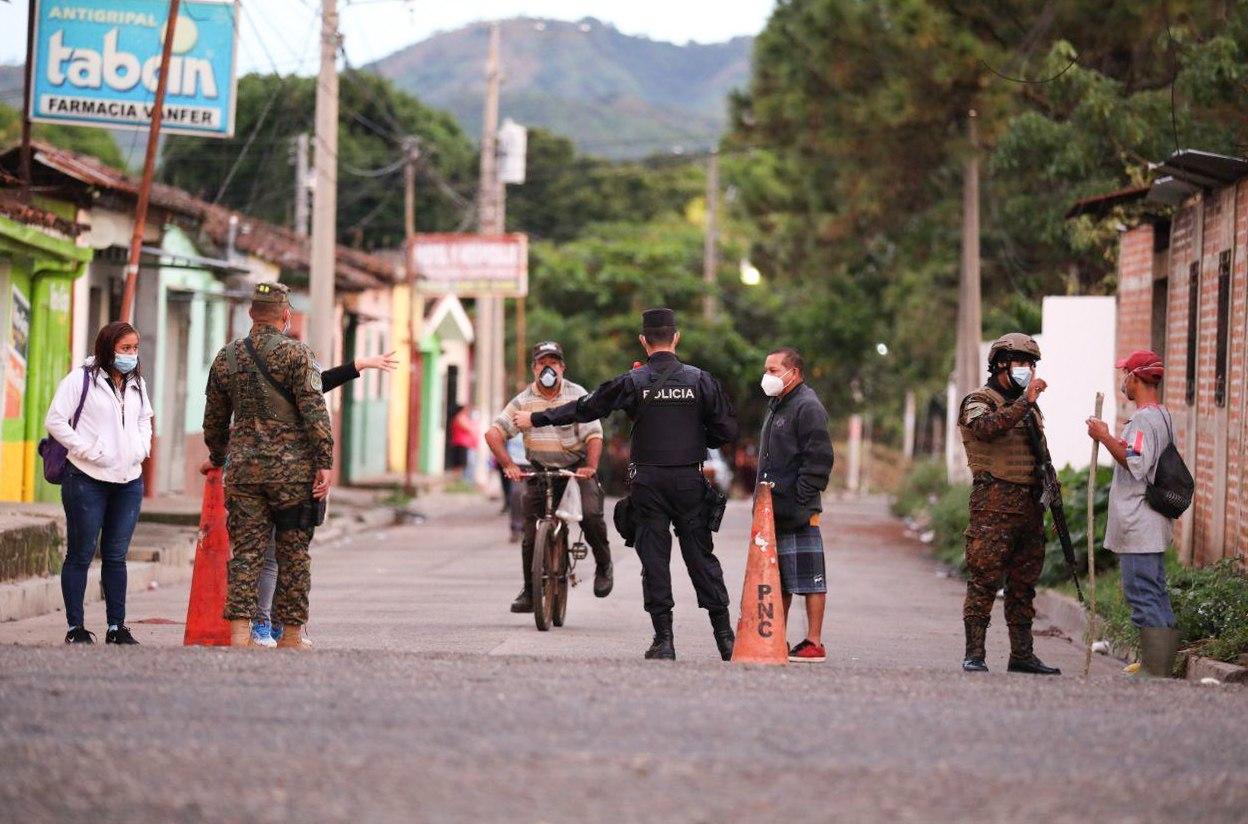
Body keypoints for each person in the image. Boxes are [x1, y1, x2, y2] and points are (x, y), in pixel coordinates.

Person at [513, 308, 740, 661]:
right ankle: (726, 640)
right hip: (688, 480)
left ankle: (663, 642)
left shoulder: (633, 382)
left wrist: (536, 418)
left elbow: (585, 408)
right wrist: (695, 435)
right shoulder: (701, 380)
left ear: (643, 340)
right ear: (676, 338)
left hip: (648, 482)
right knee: (701, 558)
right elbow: (726, 431)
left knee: (655, 561)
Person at [201, 282, 333, 650]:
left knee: (246, 553)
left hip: (243, 474)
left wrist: (217, 458)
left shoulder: (226, 357)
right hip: (292, 475)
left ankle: (240, 633)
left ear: (251, 314)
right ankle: (290, 635)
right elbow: (314, 411)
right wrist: (324, 461)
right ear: (286, 315)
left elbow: (213, 420)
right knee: (293, 555)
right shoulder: (298, 355)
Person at [249, 350, 399, 647]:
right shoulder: (289, 401)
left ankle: (277, 625)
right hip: (282, 483)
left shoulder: (292, 394)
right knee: (273, 559)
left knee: (287, 559)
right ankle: (262, 624)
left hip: (298, 485)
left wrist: (360, 365)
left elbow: (325, 380)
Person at [958, 332, 1061, 675]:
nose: (1027, 371)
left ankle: (1022, 655)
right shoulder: (979, 400)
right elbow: (987, 428)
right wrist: (1024, 403)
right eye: (1021, 363)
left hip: (1029, 508)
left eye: (1031, 365)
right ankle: (975, 654)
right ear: (1001, 365)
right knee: (984, 580)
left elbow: (1039, 453)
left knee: (1023, 585)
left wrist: (1051, 484)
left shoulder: (1029, 408)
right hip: (993, 506)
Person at [485, 340, 613, 613]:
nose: (548, 368)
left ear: (562, 367)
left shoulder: (578, 396)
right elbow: (493, 434)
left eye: (553, 363)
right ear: (534, 368)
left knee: (591, 515)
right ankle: (530, 591)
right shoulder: (523, 401)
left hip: (575, 468)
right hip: (540, 470)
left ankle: (604, 565)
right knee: (530, 532)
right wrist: (508, 464)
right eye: (543, 363)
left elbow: (594, 435)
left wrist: (590, 466)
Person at [45, 322, 153, 645]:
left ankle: (116, 627)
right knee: (81, 553)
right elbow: (55, 419)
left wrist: (142, 448)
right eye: (125, 349)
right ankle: (75, 628)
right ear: (107, 348)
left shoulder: (137, 383)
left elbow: (144, 418)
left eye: (134, 348)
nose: (131, 355)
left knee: (116, 555)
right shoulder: (81, 379)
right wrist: (85, 449)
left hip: (128, 480)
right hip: (86, 479)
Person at [1086, 350, 1179, 676]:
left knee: (1143, 595)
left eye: (1125, 373)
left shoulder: (1142, 420)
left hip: (1140, 524)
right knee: (1154, 593)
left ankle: (1155, 671)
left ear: (1136, 378)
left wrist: (1104, 436)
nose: (1122, 380)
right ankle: (1158, 665)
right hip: (1151, 524)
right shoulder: (1162, 415)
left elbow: (1135, 462)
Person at [757, 347, 834, 663]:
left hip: (798, 508)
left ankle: (813, 642)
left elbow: (819, 458)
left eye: (774, 370)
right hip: (773, 508)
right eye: (767, 369)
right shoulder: (778, 404)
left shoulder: (807, 406)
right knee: (781, 579)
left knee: (810, 576)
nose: (768, 376)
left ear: (794, 372)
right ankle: (779, 636)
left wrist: (802, 498)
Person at [449, 405, 478, 480]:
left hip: (463, 444)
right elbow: (469, 428)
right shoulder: (460, 418)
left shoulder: (463, 418)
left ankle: (459, 480)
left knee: (462, 463)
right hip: (460, 443)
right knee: (459, 464)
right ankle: (456, 480)